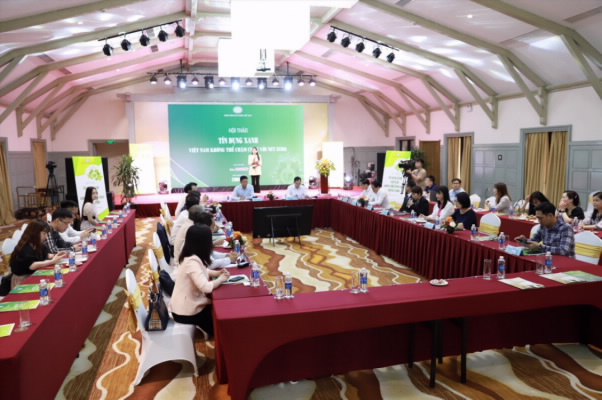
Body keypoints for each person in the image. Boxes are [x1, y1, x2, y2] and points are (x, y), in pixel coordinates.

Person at [170, 224, 230, 336]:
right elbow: (206, 287)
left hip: (185, 306)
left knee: (219, 311)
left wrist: (216, 273)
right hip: (186, 312)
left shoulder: (190, 256)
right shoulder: (191, 261)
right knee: (222, 325)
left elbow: (201, 271)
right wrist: (221, 279)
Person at [9, 219, 67, 289]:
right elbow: (32, 265)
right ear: (35, 233)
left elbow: (44, 255)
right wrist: (52, 261)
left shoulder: (37, 244)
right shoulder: (24, 248)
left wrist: (57, 255)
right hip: (23, 280)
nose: (46, 237)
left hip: (34, 274)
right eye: (44, 234)